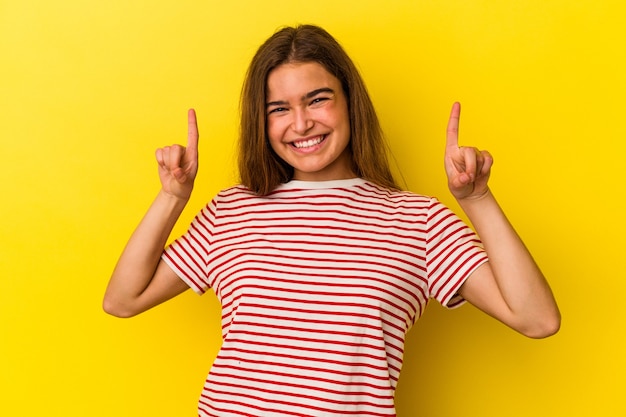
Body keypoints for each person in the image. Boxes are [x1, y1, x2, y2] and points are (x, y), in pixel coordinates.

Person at [103, 24, 560, 417]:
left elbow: (537, 319)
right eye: (278, 109)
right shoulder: (232, 210)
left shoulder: (417, 220)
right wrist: (171, 198)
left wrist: (477, 199)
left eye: (317, 99)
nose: (300, 124)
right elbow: (123, 299)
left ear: (349, 103)